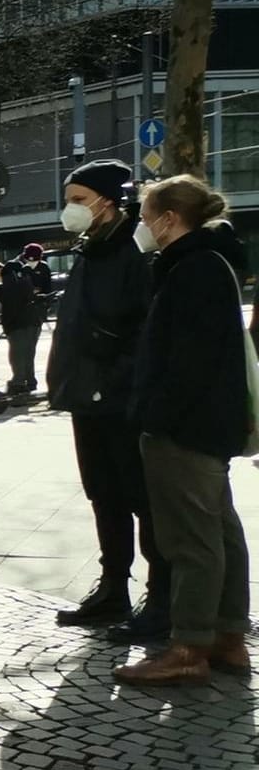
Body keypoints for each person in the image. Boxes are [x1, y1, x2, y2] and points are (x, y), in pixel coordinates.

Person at [116, 175, 252, 685]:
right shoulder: (211, 263)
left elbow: (185, 360)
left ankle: (189, 647)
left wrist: (157, 416)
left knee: (191, 539)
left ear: (171, 219)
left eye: (148, 215)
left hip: (186, 428)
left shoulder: (190, 269)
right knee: (219, 530)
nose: (144, 225)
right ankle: (228, 636)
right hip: (209, 422)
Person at [48, 159, 170, 636]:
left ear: (107, 201)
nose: (70, 209)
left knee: (140, 498)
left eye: (79, 199)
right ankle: (112, 587)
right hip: (86, 398)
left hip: (120, 400)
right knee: (103, 494)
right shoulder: (89, 250)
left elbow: (143, 330)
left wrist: (113, 381)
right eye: (69, 200)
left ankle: (159, 597)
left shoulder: (133, 254)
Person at [0, 259, 41, 393]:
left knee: (17, 354)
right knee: (28, 353)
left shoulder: (8, 278)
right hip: (32, 319)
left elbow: (11, 302)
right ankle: (30, 381)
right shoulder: (19, 272)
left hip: (17, 322)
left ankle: (18, 382)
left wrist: (7, 323)